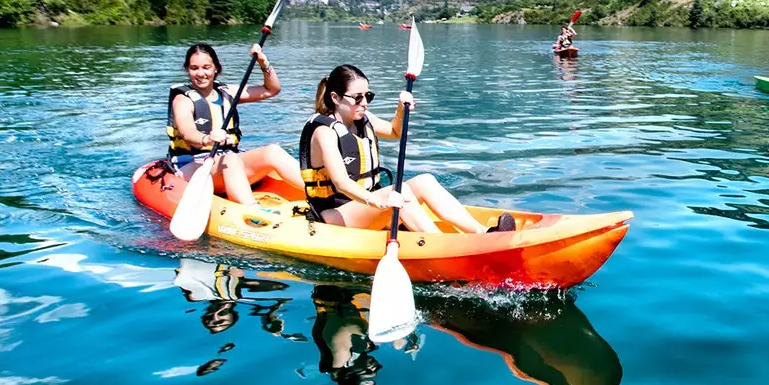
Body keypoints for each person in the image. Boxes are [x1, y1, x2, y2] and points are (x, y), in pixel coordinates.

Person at [297, 63, 514, 234]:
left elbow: (394, 131)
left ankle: (483, 232)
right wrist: (377, 200)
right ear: (335, 97)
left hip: (363, 205)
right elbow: (341, 183)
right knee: (400, 193)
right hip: (333, 215)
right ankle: (440, 245)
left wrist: (401, 109)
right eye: (357, 98)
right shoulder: (324, 131)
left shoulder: (363, 119)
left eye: (368, 96)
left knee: (424, 181)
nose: (364, 103)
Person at [167, 42, 304, 207]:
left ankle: (323, 194)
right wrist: (207, 138)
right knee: (230, 159)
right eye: (194, 68)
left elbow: (271, 89)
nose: (201, 73)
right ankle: (252, 211)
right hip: (193, 165)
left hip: (227, 162)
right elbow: (188, 133)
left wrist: (262, 62)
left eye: (206, 67)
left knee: (272, 151)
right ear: (187, 70)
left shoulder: (227, 93)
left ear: (216, 68)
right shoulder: (182, 100)